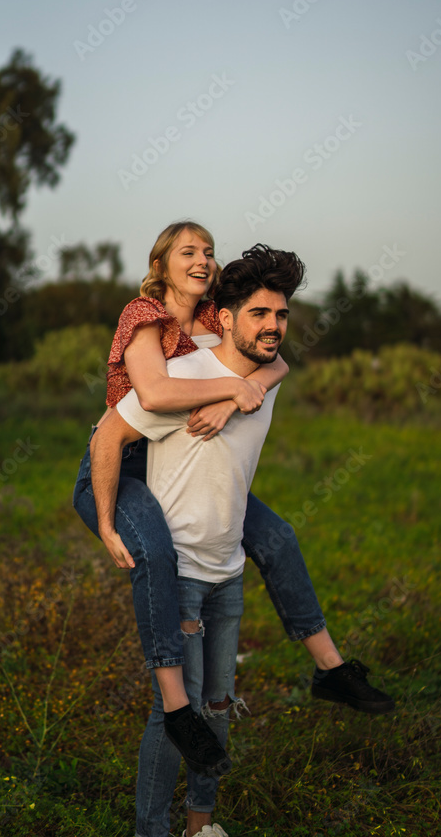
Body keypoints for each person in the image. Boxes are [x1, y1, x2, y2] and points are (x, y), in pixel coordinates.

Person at [73, 223, 394, 770]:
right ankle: (177, 709)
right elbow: (153, 392)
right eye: (187, 251)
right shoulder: (143, 315)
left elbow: (275, 360)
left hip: (170, 457)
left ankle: (332, 670)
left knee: (276, 536)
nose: (202, 259)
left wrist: (235, 397)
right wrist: (106, 522)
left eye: (208, 251)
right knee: (156, 550)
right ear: (162, 264)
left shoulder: (214, 317)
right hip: (118, 464)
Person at [112, 243, 300, 837]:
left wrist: (243, 389)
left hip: (229, 574)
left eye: (282, 315)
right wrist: (104, 521)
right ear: (225, 318)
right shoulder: (179, 372)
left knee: (218, 708)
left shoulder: (266, 377)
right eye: (260, 315)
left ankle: (199, 826)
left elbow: (273, 368)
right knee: (177, 711)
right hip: (183, 573)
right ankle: (150, 830)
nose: (273, 326)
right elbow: (111, 433)